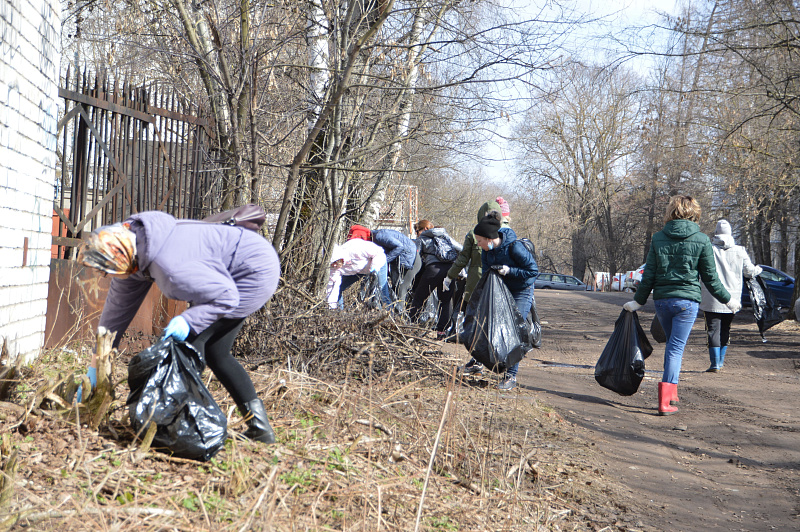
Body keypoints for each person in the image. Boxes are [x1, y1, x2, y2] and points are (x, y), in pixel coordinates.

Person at [77, 211, 281, 443]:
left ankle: (186, 430)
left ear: (122, 258)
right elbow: (114, 318)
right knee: (216, 353)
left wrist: (188, 320)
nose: (107, 276)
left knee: (186, 349)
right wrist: (95, 367)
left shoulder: (171, 270)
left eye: (109, 271)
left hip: (250, 273)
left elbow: (226, 297)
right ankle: (260, 428)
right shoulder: (133, 246)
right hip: (234, 265)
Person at [623, 195, 739, 415]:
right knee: (675, 349)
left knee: (671, 347)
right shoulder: (702, 239)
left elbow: (649, 274)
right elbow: (710, 278)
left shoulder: (658, 238)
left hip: (663, 301)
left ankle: (672, 393)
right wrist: (728, 300)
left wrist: (638, 301)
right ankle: (665, 402)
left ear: (671, 211)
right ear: (693, 212)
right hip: (687, 303)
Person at [472, 211, 539, 390]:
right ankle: (482, 363)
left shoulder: (515, 248)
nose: (478, 245)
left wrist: (509, 271)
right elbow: (487, 276)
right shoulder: (486, 253)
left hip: (522, 290)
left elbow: (533, 272)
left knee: (514, 329)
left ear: (489, 238)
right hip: (502, 290)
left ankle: (511, 376)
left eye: (479, 241)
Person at [699, 219, 761, 372]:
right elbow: (749, 272)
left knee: (712, 329)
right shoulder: (740, 251)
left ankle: (714, 363)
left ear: (716, 233)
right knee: (726, 328)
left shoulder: (709, 249)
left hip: (711, 296)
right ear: (731, 233)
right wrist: (759, 269)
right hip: (732, 298)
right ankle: (720, 362)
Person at [407, 220, 461, 338]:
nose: (417, 234)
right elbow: (461, 249)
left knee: (419, 299)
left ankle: (411, 327)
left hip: (432, 271)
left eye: (418, 231)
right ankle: (442, 333)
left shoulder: (423, 239)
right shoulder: (445, 236)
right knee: (445, 302)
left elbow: (415, 257)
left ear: (425, 229)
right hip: (449, 271)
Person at [326, 237, 393, 309]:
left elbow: (379, 253)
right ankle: (338, 313)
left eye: (335, 262)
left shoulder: (356, 249)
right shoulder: (335, 268)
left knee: (382, 291)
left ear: (338, 257)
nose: (334, 265)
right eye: (332, 264)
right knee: (340, 287)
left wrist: (374, 268)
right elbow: (332, 287)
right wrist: (331, 306)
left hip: (377, 264)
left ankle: (390, 314)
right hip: (357, 270)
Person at [370, 227, 420, 309]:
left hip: (409, 259)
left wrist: (384, 261)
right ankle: (395, 312)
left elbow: (399, 247)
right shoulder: (378, 236)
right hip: (405, 257)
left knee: (401, 288)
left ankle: (399, 316)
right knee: (396, 288)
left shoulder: (379, 236)